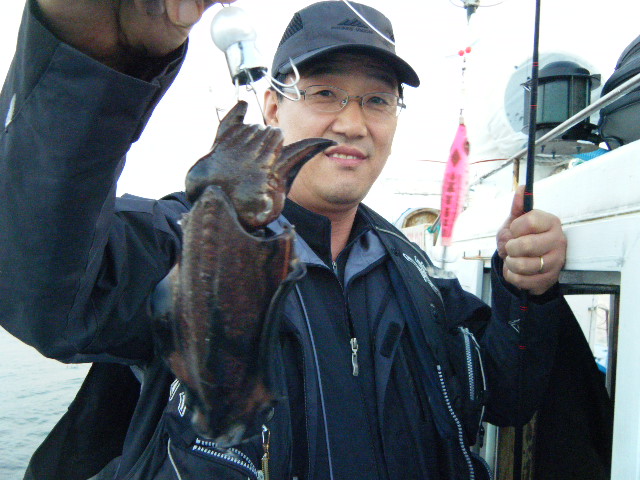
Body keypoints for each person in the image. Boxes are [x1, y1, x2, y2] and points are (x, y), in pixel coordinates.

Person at [0, 1, 576, 479]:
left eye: (377, 100)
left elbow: (508, 395)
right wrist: (98, 58)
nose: (352, 123)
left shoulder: (421, 278)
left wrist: (526, 289)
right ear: (274, 106)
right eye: (323, 92)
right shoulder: (183, 240)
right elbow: (36, 286)